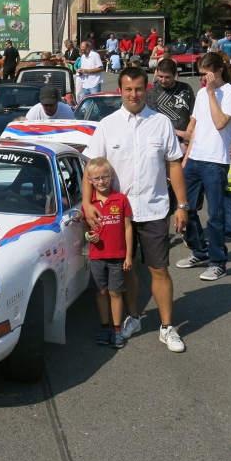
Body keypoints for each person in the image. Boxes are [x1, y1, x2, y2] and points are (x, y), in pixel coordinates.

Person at [82, 66, 188, 352]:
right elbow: (90, 167)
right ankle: (133, 317)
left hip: (154, 209)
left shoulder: (161, 123)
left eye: (139, 89)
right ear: (120, 91)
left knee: (159, 269)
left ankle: (167, 328)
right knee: (126, 268)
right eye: (128, 89)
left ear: (147, 89)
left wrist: (182, 205)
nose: (133, 94)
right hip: (118, 215)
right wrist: (86, 202)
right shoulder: (107, 125)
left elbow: (174, 164)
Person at [177, 52, 231, 282]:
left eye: (207, 75)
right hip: (194, 158)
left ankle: (218, 262)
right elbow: (195, 125)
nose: (204, 80)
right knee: (187, 208)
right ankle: (199, 250)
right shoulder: (202, 93)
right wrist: (186, 155)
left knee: (215, 214)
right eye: (202, 75)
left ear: (218, 71)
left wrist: (213, 93)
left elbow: (220, 122)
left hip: (216, 161)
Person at [84, 157, 134, 349]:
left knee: (115, 292)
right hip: (97, 256)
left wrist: (129, 255)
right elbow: (84, 229)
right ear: (89, 180)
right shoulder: (90, 204)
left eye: (104, 177)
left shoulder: (121, 199)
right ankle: (104, 327)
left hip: (117, 255)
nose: (101, 181)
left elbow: (128, 228)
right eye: (96, 178)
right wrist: (89, 236)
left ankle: (116, 329)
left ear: (111, 176)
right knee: (101, 291)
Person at [146, 59, 195, 147]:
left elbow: (193, 116)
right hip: (162, 143)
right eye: (160, 76)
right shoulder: (152, 93)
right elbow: (153, 123)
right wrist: (181, 134)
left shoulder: (186, 88)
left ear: (175, 74)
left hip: (185, 144)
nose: (163, 80)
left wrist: (186, 142)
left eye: (167, 77)